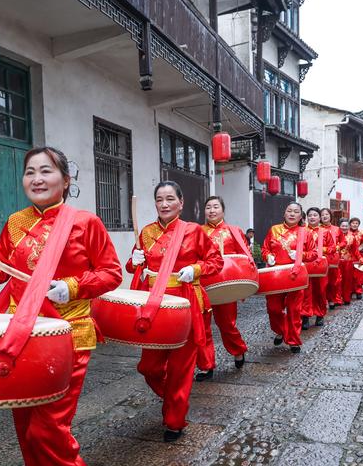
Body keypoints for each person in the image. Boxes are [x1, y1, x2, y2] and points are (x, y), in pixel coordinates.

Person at [0, 146, 122, 466]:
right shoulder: (15, 222)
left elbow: (111, 272)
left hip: (66, 334)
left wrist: (72, 287)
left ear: (65, 180)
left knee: (49, 428)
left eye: (46, 171)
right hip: (21, 336)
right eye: (30, 172)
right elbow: (2, 268)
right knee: (26, 428)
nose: (37, 179)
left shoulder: (85, 223)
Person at [127, 181, 223, 442]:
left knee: (181, 368)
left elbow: (215, 261)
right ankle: (173, 397)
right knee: (148, 366)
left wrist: (196, 269)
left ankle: (174, 420)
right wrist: (133, 261)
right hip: (154, 305)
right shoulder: (146, 233)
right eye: (159, 199)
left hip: (185, 301)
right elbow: (133, 266)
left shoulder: (193, 231)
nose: (164, 204)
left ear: (181, 203)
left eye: (170, 199)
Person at [195, 196, 249, 381]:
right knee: (202, 327)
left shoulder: (234, 231)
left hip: (227, 285)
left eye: (215, 207)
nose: (212, 210)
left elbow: (244, 257)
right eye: (208, 207)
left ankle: (238, 349)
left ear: (223, 210)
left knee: (226, 323)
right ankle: (205, 366)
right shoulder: (197, 232)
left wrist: (244, 286)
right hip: (202, 284)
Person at [261, 202, 317, 353]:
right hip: (275, 275)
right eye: (289, 211)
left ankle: (293, 340)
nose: (292, 214)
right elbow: (265, 248)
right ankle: (281, 330)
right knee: (273, 308)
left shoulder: (305, 233)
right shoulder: (274, 229)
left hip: (295, 276)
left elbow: (314, 254)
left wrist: (301, 255)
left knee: (294, 309)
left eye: (296, 212)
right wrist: (268, 256)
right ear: (284, 213)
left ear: (300, 216)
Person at [301, 207, 332, 328]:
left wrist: (321, 250)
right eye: (310, 215)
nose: (312, 217)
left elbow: (332, 248)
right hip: (306, 266)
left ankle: (320, 314)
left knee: (320, 291)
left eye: (315, 215)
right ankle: (305, 316)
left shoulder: (325, 232)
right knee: (305, 292)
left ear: (319, 218)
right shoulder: (302, 231)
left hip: (320, 267)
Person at [320, 208, 344, 309]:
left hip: (333, 259)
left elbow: (343, 242)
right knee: (322, 282)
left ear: (330, 216)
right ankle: (322, 301)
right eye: (322, 215)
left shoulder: (337, 229)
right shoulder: (318, 229)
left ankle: (331, 299)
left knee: (334, 281)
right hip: (321, 259)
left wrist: (337, 247)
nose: (324, 216)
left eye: (327, 214)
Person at [349, 218, 363, 298]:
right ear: (350, 224)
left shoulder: (361, 234)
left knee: (358, 275)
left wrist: (361, 248)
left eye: (356, 223)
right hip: (348, 256)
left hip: (358, 256)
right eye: (353, 223)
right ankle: (350, 290)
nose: (354, 225)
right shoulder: (347, 233)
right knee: (349, 275)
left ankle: (358, 291)